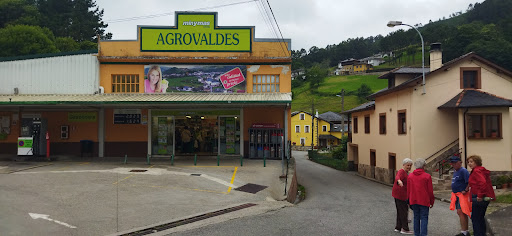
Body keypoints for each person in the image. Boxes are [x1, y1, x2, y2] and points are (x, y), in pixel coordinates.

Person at [466, 155, 495, 236]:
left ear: (477, 162)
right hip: (485, 196)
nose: (469, 164)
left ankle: (478, 234)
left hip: (479, 197)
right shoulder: (480, 170)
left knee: (475, 218)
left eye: (471, 162)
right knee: (480, 217)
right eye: (468, 162)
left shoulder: (476, 171)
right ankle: (482, 233)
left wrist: (479, 195)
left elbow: (482, 183)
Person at [407, 158, 435, 236]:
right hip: (424, 200)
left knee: (416, 217)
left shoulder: (410, 176)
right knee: (424, 218)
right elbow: (430, 191)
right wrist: (431, 201)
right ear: (423, 166)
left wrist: (408, 200)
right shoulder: (427, 176)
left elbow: (408, 190)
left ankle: (417, 234)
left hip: (414, 200)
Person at [449, 155, 471, 236]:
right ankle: (465, 231)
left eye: (455, 163)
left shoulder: (463, 171)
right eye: (452, 163)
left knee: (461, 212)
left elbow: (469, 181)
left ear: (460, 163)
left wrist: (466, 190)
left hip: (462, 195)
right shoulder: (456, 171)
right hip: (456, 195)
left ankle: (464, 232)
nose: (453, 165)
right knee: (461, 212)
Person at [392, 158, 414, 234]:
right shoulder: (401, 172)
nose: (409, 167)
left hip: (398, 195)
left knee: (400, 211)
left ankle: (398, 227)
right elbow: (397, 177)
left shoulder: (406, 172)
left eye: (410, 165)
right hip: (401, 195)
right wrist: (399, 181)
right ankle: (404, 228)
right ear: (403, 165)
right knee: (404, 212)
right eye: (408, 165)